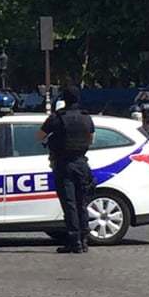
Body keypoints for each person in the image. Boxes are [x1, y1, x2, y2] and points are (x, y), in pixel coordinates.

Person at [36, 86, 95, 254]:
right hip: (82, 164)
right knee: (81, 202)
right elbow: (91, 139)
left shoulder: (57, 118)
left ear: (64, 99)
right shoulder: (86, 117)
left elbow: (38, 136)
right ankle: (84, 239)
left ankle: (74, 240)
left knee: (69, 203)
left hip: (64, 164)